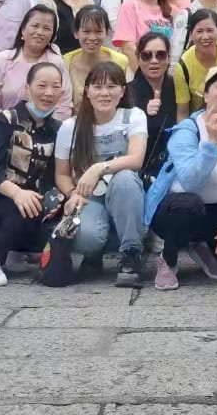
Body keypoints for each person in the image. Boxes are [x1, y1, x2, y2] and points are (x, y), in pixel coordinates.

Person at [145, 63, 217, 289]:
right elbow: (190, 181)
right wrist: (211, 143)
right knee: (188, 205)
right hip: (177, 210)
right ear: (206, 95)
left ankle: (203, 247)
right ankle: (168, 259)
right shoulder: (187, 129)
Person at [54, 61, 149, 287]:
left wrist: (98, 168)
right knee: (87, 238)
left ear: (122, 91)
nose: (104, 93)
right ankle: (93, 255)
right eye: (97, 87)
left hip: (124, 192)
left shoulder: (133, 116)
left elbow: (136, 159)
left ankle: (131, 254)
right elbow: (62, 173)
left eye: (111, 86)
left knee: (125, 178)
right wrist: (72, 194)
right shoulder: (70, 127)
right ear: (87, 91)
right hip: (88, 196)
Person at [0, 61, 63, 286]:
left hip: (33, 206)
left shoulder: (58, 129)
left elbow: (54, 176)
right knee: (21, 205)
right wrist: (16, 193)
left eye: (55, 86)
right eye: (42, 86)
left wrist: (56, 200)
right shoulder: (4, 121)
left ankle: (15, 250)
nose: (48, 93)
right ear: (27, 89)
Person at [0, 5, 70, 117]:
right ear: (23, 30)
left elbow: (64, 104)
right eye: (35, 26)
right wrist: (5, 122)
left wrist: (49, 125)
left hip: (46, 126)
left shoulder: (56, 63)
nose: (40, 32)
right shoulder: (1, 60)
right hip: (4, 124)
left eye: (46, 28)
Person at [126, 32, 177, 183]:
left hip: (174, 167)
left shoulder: (179, 88)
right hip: (138, 173)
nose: (154, 61)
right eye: (146, 56)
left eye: (160, 55)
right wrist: (142, 114)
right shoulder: (126, 93)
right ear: (138, 57)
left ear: (168, 57)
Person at [171, 7, 217, 119]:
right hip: (200, 120)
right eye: (199, 31)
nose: (205, 37)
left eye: (210, 30)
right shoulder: (183, 66)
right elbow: (183, 111)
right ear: (191, 34)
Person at [62, 6, 129, 106]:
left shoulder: (120, 61)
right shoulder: (65, 62)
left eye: (98, 32)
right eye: (86, 31)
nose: (92, 37)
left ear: (107, 33)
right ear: (76, 33)